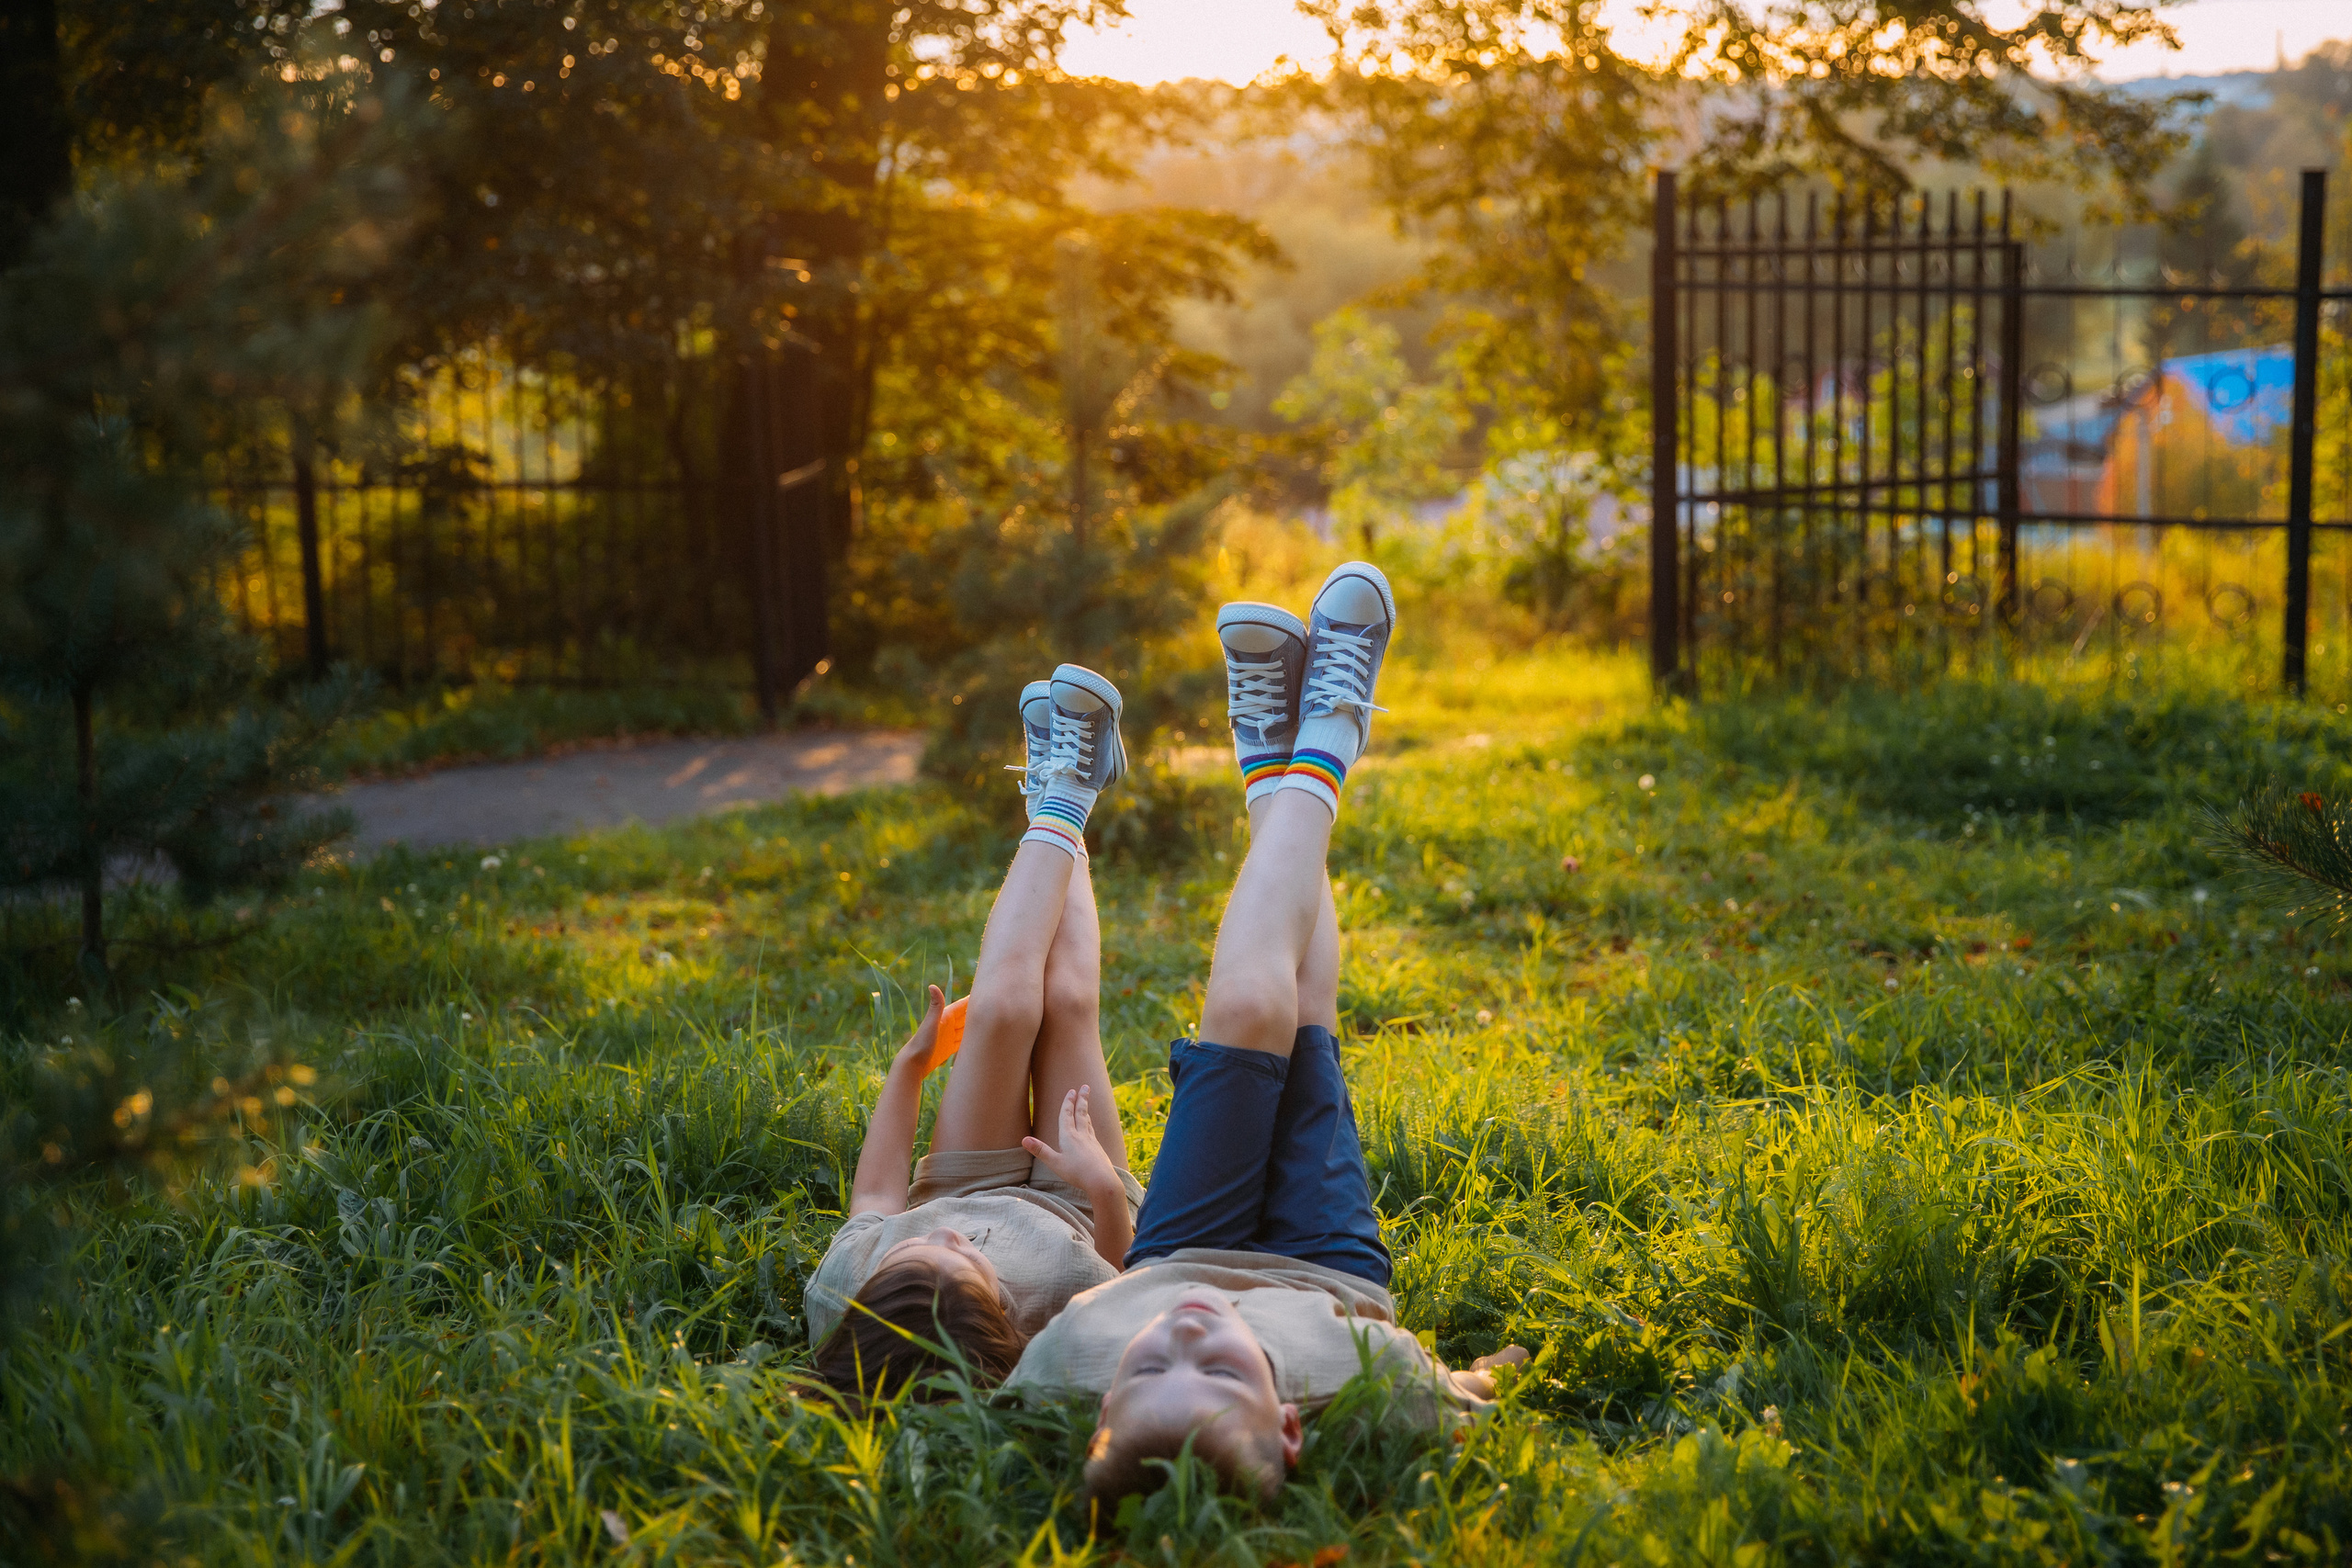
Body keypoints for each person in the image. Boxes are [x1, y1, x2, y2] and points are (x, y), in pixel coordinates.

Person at [1002, 562, 1528, 1506]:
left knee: (1249, 1011)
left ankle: (1318, 737)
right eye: (1223, 1378)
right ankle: (1279, 759)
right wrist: (1497, 1369)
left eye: (1149, 1374)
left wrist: (1092, 1195)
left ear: (1101, 1401)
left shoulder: (1059, 1368)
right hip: (1327, 1270)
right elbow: (1472, 1388)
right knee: (1304, 1009)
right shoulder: (1366, 1376)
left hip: (1181, 1248)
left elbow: (983, 1333)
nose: (1189, 1343)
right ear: (1290, 1425)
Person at [806, 663, 1146, 1401]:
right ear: (1001, 1313)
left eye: (914, 1253)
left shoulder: (846, 1292)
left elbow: (877, 1197)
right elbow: (1129, 1280)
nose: (945, 1237)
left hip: (966, 1175)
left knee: (1002, 1007)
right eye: (961, 1258)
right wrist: (1103, 1193)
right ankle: (1067, 782)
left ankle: (1066, 788)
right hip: (1076, 1203)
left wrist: (908, 1067)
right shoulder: (1056, 1312)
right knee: (1064, 1003)